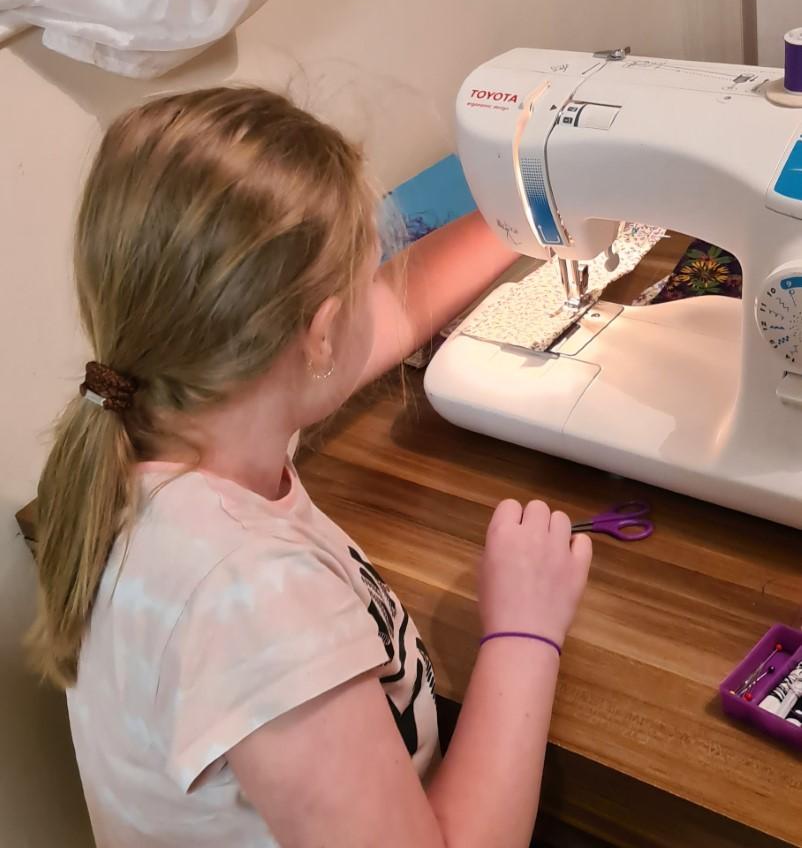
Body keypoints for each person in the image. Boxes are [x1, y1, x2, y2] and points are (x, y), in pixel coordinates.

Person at [29, 86, 592, 848]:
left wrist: (532, 218)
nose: (376, 289)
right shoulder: (249, 599)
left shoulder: (174, 420)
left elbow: (391, 311)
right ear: (319, 336)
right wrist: (525, 631)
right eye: (362, 276)